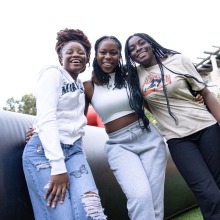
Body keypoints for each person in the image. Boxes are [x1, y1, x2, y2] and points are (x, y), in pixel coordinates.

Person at [124, 33, 220, 220]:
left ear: (150, 43)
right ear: (130, 56)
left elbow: (206, 94)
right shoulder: (135, 77)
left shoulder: (178, 60)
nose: (138, 49)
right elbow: (148, 105)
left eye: (141, 43)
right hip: (178, 140)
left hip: (206, 127)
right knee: (207, 192)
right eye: (132, 49)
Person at [22, 28, 107, 220]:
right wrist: (58, 167)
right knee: (63, 216)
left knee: (92, 211)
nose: (75, 54)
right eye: (69, 52)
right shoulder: (52, 74)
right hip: (44, 153)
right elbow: (47, 117)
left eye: (81, 53)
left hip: (74, 151)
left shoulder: (81, 85)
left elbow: (76, 123)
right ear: (60, 58)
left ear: (87, 61)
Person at [83, 35, 168, 220]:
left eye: (113, 53)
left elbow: (156, 99)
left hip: (148, 138)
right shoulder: (88, 87)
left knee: (154, 200)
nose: (108, 56)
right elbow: (74, 119)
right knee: (140, 196)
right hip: (119, 146)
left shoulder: (132, 76)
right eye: (103, 52)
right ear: (96, 55)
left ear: (119, 56)